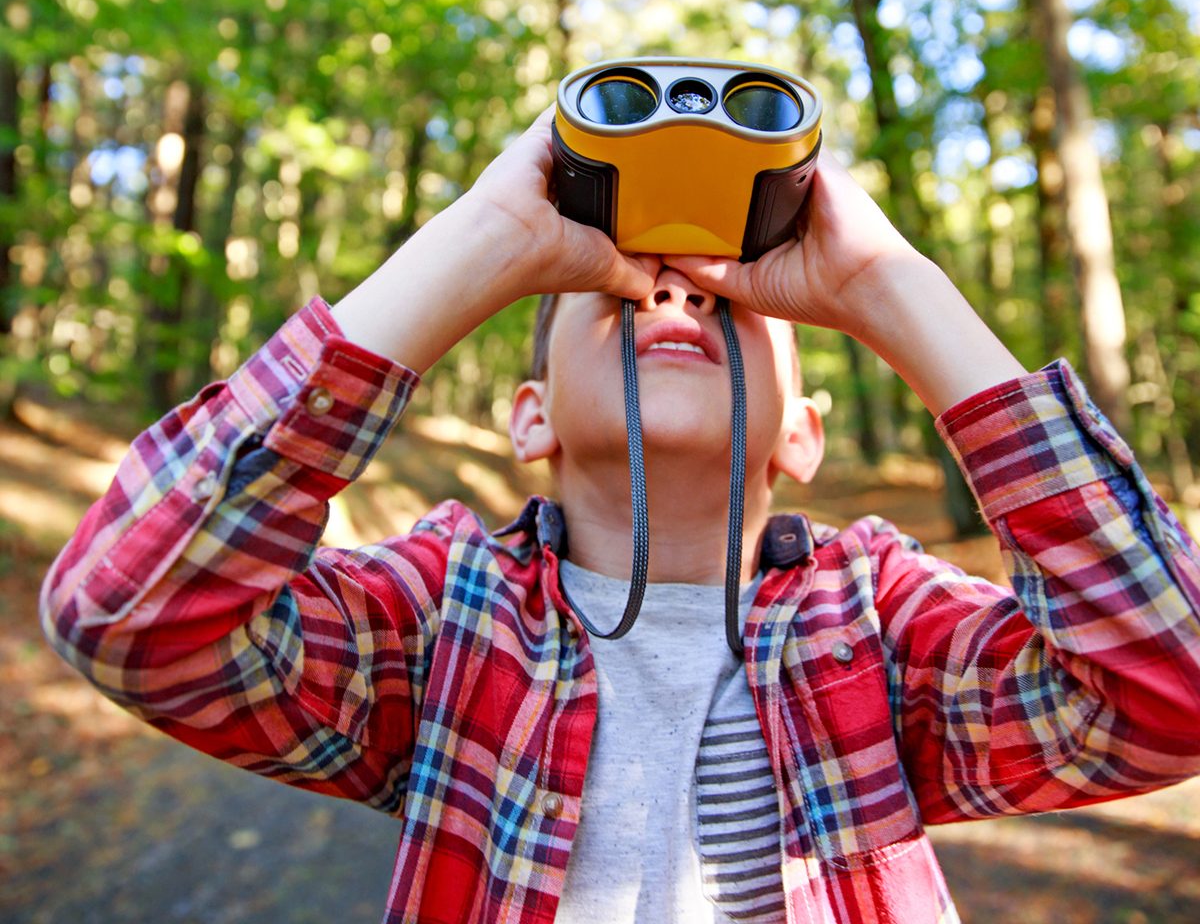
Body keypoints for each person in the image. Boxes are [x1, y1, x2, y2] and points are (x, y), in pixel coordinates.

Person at [40, 105, 1200, 924]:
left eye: (727, 295)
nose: (678, 288)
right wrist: (481, 242)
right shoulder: (449, 616)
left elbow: (1171, 692)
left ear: (802, 434)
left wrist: (888, 285)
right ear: (529, 419)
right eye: (620, 289)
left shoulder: (880, 623)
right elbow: (130, 615)